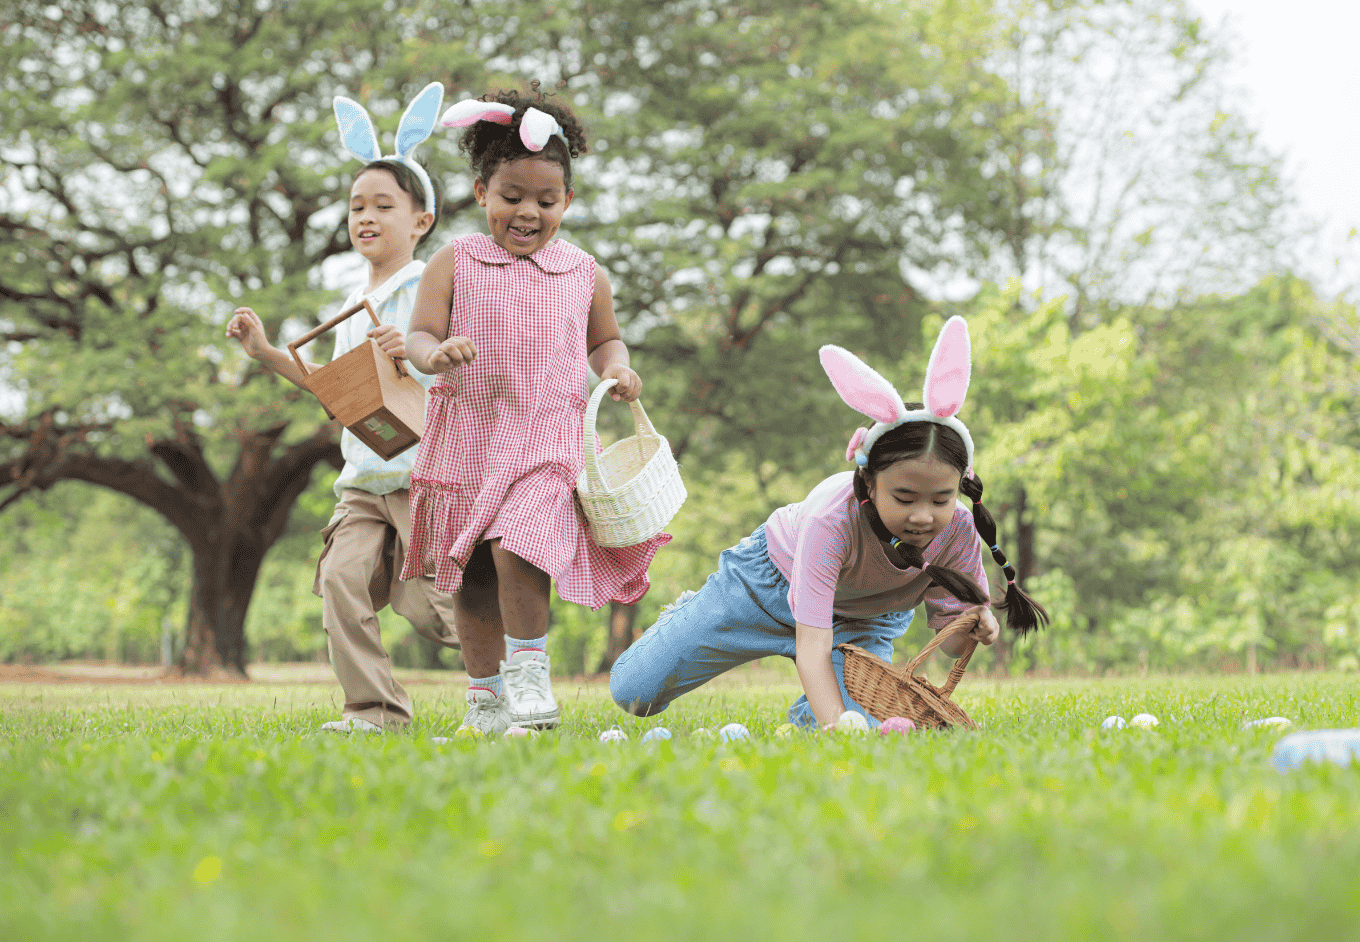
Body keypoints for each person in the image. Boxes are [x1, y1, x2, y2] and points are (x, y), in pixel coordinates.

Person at [610, 316, 1048, 729]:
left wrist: (973, 628)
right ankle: (692, 612)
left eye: (941, 498)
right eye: (904, 497)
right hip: (763, 591)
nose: (922, 515)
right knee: (633, 693)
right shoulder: (832, 520)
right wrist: (837, 726)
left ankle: (813, 713)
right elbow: (812, 645)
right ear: (870, 482)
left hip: (864, 622)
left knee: (866, 722)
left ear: (961, 486)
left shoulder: (958, 532)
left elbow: (950, 642)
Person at [400, 86, 667, 736]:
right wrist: (435, 356)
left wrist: (617, 369)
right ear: (481, 191)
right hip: (469, 442)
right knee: (473, 579)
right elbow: (418, 336)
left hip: (548, 442)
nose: (528, 212)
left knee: (522, 547)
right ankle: (485, 700)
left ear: (566, 202)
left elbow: (605, 340)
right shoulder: (455, 261)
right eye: (512, 197)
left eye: (546, 201)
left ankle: (527, 671)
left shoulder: (583, 273)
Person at [226, 83, 460, 733]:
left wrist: (412, 351)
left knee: (438, 610)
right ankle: (374, 710)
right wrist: (268, 352)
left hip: (423, 478)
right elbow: (332, 385)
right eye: (357, 205)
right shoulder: (351, 302)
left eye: (384, 204)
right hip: (362, 481)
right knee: (340, 580)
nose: (366, 216)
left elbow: (451, 364)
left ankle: (508, 683)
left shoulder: (429, 285)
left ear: (421, 221)